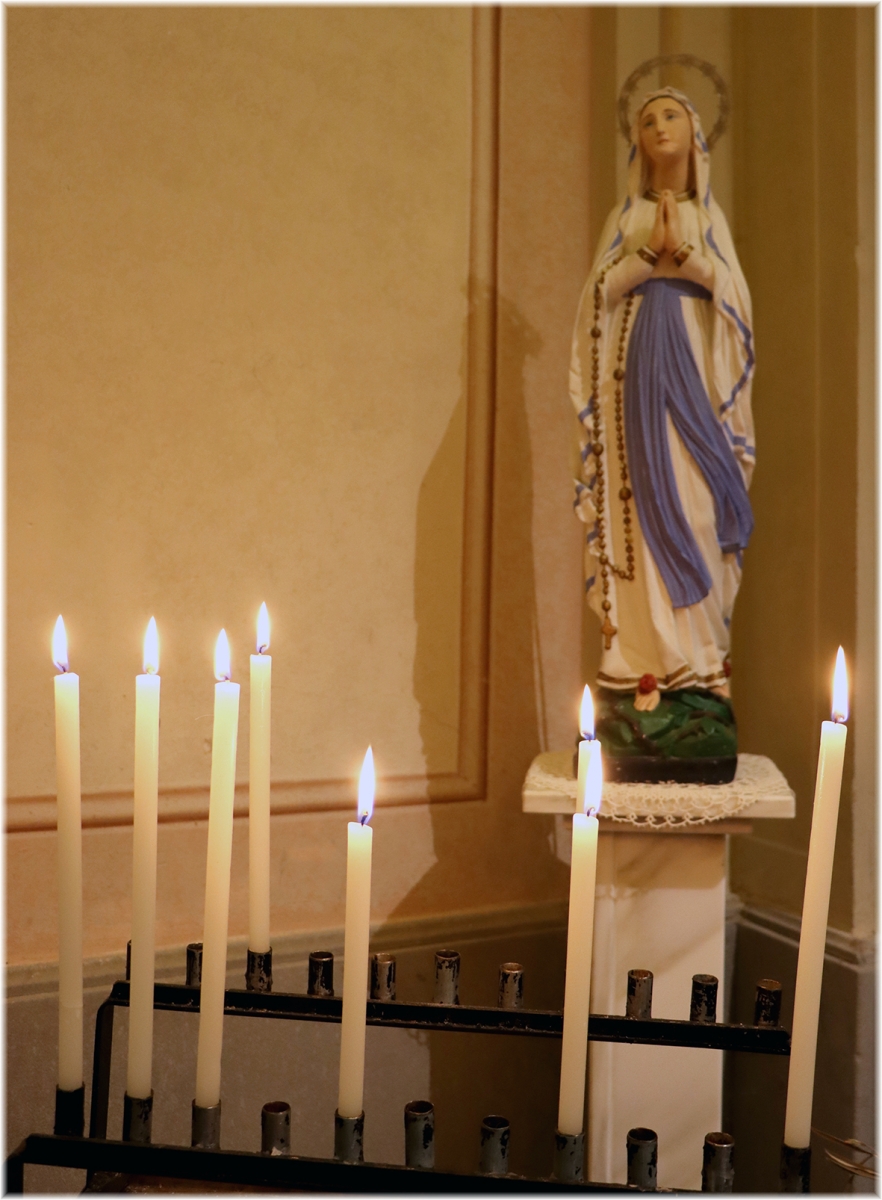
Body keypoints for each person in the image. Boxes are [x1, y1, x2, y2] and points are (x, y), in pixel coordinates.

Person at [570, 87, 755, 715]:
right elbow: (596, 298)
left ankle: (702, 659)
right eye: (647, 120)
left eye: (670, 115)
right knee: (641, 511)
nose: (658, 127)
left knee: (701, 507)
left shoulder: (708, 218)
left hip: (696, 370)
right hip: (638, 372)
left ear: (695, 135)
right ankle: (645, 661)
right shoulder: (626, 218)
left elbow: (736, 302)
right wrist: (649, 255)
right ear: (639, 144)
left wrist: (689, 258)